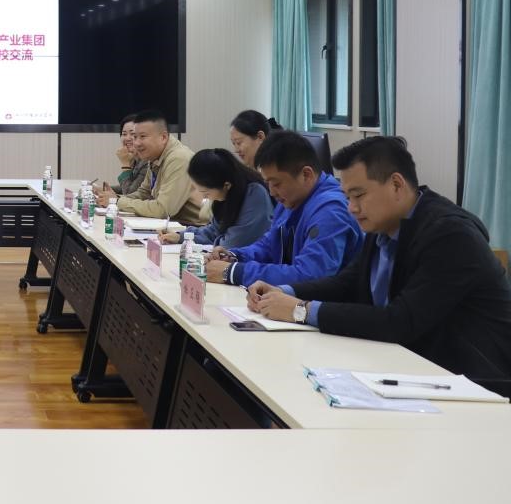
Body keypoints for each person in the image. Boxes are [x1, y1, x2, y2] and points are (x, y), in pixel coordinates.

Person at [248, 137, 511, 380]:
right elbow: (346, 284)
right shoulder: (383, 226)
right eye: (348, 197)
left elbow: (400, 321)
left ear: (396, 184)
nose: (352, 208)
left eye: (359, 195)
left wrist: (300, 310)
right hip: (407, 369)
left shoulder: (450, 236)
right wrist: (284, 291)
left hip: (475, 384)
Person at [206, 130, 362, 287]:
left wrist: (234, 272)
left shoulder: (330, 210)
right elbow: (270, 245)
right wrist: (235, 256)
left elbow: (310, 275)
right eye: (268, 183)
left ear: (306, 175)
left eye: (277, 183)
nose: (272, 192)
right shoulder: (291, 199)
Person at [97, 110, 202, 225]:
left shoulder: (179, 159)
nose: (137, 143)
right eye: (135, 137)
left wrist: (117, 201)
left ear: (163, 137)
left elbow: (163, 210)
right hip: (169, 225)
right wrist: (113, 199)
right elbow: (143, 194)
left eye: (142, 136)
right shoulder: (154, 156)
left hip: (193, 229)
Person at [160, 148, 272, 249]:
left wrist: (216, 240)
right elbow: (214, 231)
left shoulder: (255, 195)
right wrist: (181, 236)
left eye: (206, 193)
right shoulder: (227, 195)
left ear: (226, 185)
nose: (204, 197)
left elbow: (233, 243)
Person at [107, 114, 148, 197]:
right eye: (124, 134)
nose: (127, 138)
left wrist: (125, 164)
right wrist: (104, 189)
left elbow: (130, 193)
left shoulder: (147, 161)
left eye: (132, 134)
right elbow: (128, 186)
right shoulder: (135, 159)